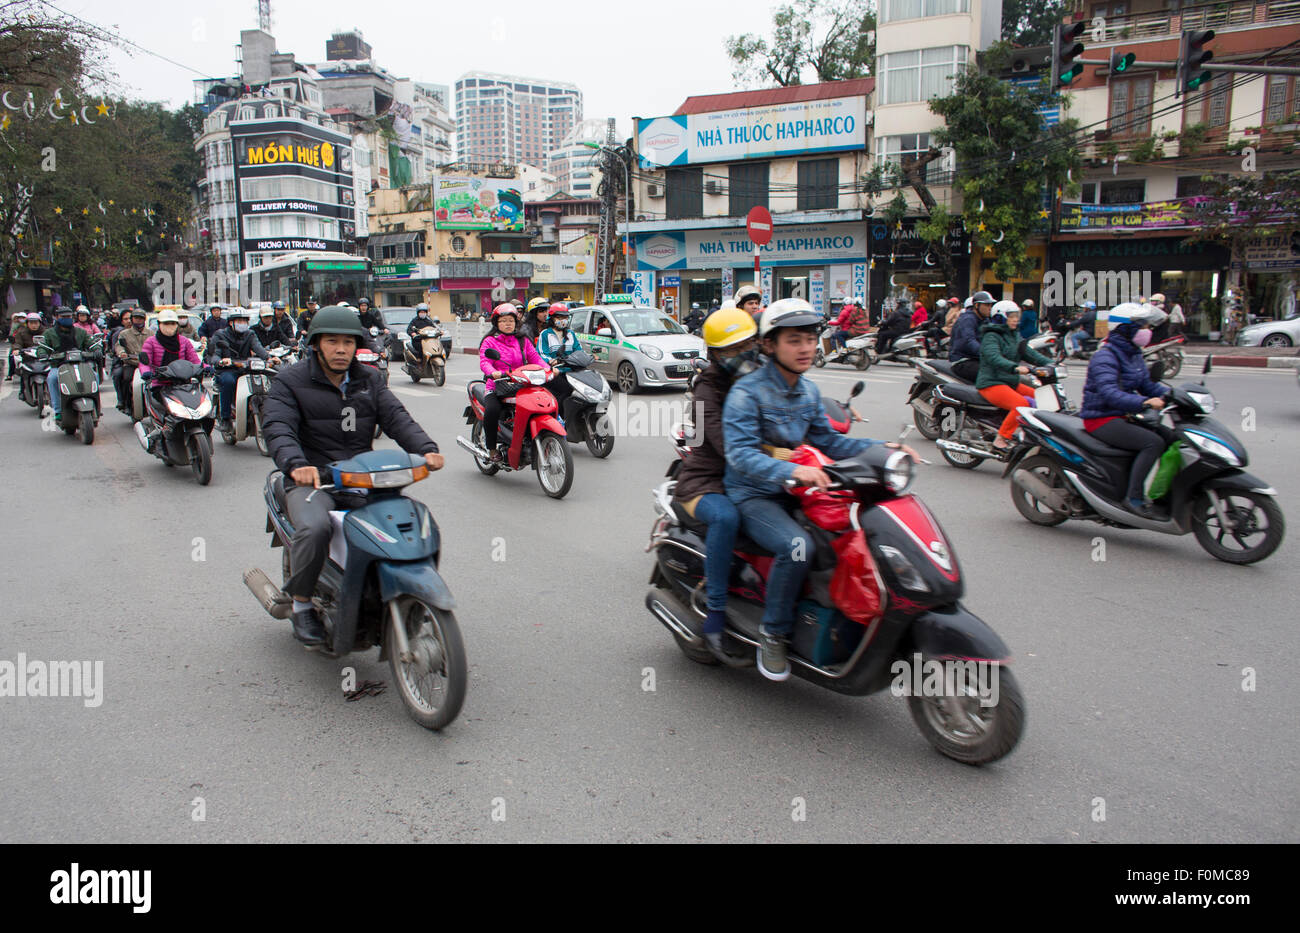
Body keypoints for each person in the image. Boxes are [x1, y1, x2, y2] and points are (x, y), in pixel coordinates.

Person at [723, 298, 912, 681]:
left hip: (795, 490)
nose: (806, 347)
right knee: (799, 547)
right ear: (768, 345)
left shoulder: (807, 391)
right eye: (794, 340)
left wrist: (882, 449)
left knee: (856, 533)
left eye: (810, 338)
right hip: (754, 494)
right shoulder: (747, 393)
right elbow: (740, 456)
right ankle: (773, 633)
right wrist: (793, 471)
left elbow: (831, 442)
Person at [261, 306, 444, 646]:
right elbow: (278, 427)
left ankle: (396, 593)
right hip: (313, 479)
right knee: (315, 529)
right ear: (316, 344)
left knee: (413, 523)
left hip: (362, 477)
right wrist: (295, 463)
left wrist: (426, 449)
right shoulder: (291, 380)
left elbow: (396, 417)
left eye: (348, 342)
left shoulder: (369, 379)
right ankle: (301, 605)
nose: (341, 349)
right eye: (332, 341)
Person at [674, 308, 761, 666]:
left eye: (747, 345)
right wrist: (775, 454)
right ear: (715, 354)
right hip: (705, 481)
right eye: (730, 350)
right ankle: (716, 610)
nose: (741, 354)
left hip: (750, 475)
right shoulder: (707, 391)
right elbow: (730, 448)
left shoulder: (761, 376)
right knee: (725, 519)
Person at [1078, 303, 1173, 516]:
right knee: (1153, 443)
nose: (1146, 331)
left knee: (1172, 438)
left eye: (1147, 325)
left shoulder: (1133, 353)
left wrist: (1173, 395)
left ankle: (1164, 494)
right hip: (1101, 417)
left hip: (1123, 414)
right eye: (1141, 326)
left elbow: (1147, 385)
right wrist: (1145, 403)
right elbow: (1109, 393)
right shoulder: (1106, 356)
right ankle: (1134, 497)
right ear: (1125, 328)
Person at [976, 300, 1054, 452]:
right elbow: (994, 358)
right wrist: (1016, 368)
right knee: (1021, 404)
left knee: (1043, 398)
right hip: (991, 383)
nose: (1015, 319)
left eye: (1016, 316)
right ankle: (1001, 439)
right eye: (1011, 316)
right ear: (1000, 318)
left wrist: (1052, 363)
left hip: (1010, 382)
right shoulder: (991, 336)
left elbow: (1029, 353)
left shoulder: (1014, 336)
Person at [479, 303, 546, 462]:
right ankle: (492, 448)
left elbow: (536, 358)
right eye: (503, 321)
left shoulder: (522, 340)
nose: (508, 324)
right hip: (497, 386)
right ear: (496, 323)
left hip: (521, 384)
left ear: (516, 322)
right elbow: (484, 362)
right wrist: (492, 372)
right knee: (492, 410)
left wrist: (548, 369)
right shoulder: (490, 341)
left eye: (511, 320)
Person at [208, 307, 275, 432]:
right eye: (239, 320)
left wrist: (270, 358)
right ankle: (225, 418)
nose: (242, 323)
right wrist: (221, 361)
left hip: (246, 368)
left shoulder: (250, 334)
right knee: (229, 382)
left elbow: (258, 348)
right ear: (230, 322)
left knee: (266, 379)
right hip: (228, 369)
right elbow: (215, 354)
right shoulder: (220, 335)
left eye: (244, 321)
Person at [37, 306, 99, 418]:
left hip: (80, 364)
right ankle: (58, 410)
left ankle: (96, 406)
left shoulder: (80, 332)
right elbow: (43, 346)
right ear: (56, 317)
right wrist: (42, 353)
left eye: (68, 316)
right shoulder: (49, 333)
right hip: (59, 365)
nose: (66, 318)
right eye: (63, 317)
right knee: (52, 378)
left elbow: (91, 343)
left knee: (94, 375)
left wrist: (97, 349)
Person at [948, 290, 996, 381]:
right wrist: (986, 353)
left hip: (976, 359)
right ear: (977, 305)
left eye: (991, 305)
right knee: (992, 375)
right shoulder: (968, 319)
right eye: (987, 305)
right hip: (963, 361)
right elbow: (969, 341)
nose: (990, 308)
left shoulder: (985, 320)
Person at [114, 308, 150, 413]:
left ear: (144, 319)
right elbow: (119, 346)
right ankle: (127, 404)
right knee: (126, 379)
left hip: (148, 365)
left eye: (140, 318)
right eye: (136, 318)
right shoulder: (124, 334)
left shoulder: (151, 333)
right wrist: (122, 353)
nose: (138, 320)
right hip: (131, 364)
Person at [10, 313, 44, 385]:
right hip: (28, 358)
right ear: (27, 324)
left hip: (44, 358)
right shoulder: (21, 333)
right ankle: (22, 392)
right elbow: (17, 343)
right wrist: (16, 349)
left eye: (36, 323)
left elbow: (51, 344)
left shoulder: (46, 332)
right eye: (31, 323)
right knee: (24, 374)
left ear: (40, 323)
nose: (34, 325)